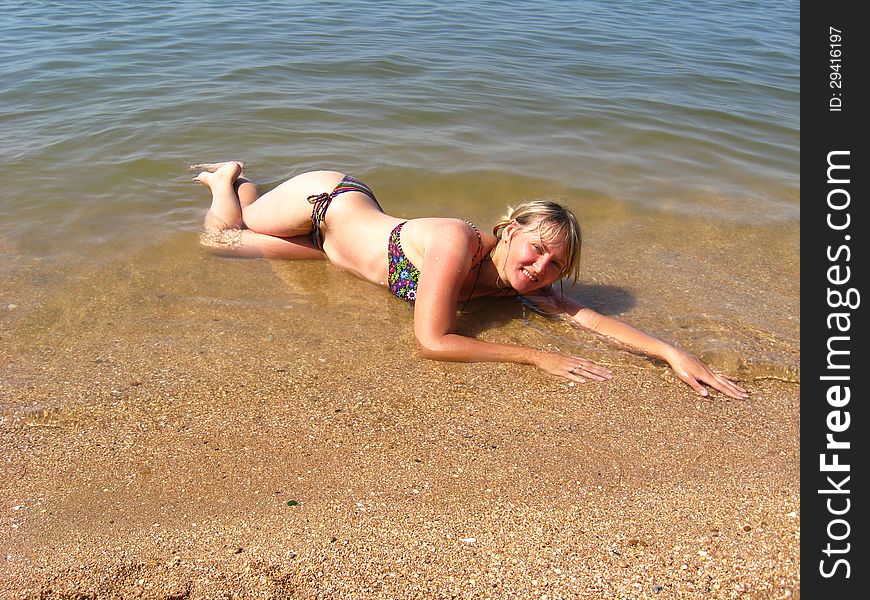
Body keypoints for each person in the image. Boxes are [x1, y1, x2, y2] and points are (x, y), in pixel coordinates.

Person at [193, 161, 748, 399]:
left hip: (330, 251)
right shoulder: (458, 243)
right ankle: (227, 179)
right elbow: (432, 342)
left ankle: (247, 190)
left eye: (555, 264)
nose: (540, 269)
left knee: (244, 241)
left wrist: (671, 353)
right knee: (217, 240)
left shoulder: (519, 282)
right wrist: (536, 358)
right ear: (508, 231)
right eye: (536, 249)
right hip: (324, 204)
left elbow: (584, 316)